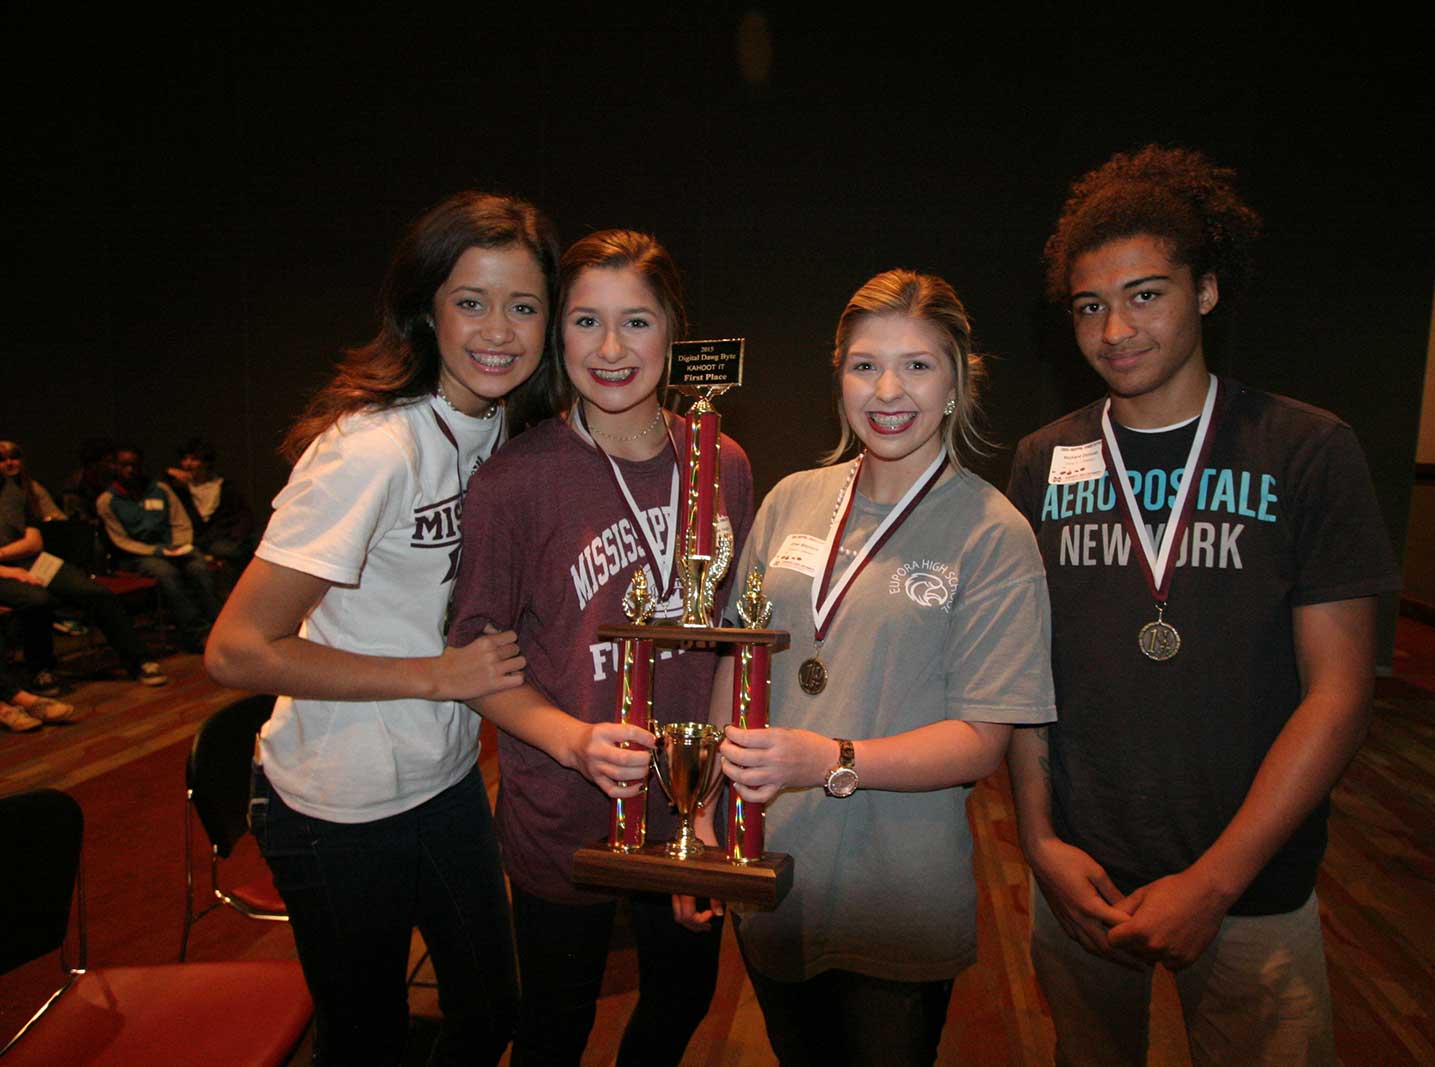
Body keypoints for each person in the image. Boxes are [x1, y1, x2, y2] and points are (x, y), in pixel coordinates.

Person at [1006, 146, 1401, 1066]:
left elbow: (1340, 694)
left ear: (1208, 291)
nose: (1115, 329)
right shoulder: (1039, 460)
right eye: (1090, 305)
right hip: (1081, 877)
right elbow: (1020, 674)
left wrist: (1215, 883)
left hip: (1253, 885)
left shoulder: (1307, 449)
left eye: (1146, 294)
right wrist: (1038, 842)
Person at [204, 190, 559, 1066]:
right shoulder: (371, 449)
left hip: (442, 782)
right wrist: (434, 675)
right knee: (366, 1040)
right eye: (470, 302)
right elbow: (236, 648)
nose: (498, 330)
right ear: (424, 309)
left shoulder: (498, 428)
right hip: (337, 804)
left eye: (524, 305)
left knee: (488, 1009)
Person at [703, 269, 1054, 1065]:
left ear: (957, 383)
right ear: (839, 377)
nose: (888, 389)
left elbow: (981, 738)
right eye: (865, 365)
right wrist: (707, 805)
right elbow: (741, 655)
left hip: (897, 892)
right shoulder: (791, 498)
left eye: (918, 365)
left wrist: (830, 760)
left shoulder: (993, 533)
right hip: (773, 869)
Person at [448, 229, 754, 1066]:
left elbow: (733, 645)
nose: (611, 349)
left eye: (638, 322)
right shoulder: (515, 480)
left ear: (674, 330)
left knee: (681, 1000)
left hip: (682, 809)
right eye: (586, 321)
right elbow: (475, 660)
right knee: (554, 1024)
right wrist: (571, 740)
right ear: (558, 335)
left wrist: (706, 802)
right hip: (563, 810)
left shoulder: (722, 463)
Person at [1, 439, 167, 692]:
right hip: (5, 571)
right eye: (2, 458)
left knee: (95, 592)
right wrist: (11, 568)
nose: (8, 463)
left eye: (13, 457)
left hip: (33, 560)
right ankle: (41, 671)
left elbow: (34, 543)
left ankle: (140, 661)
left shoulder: (16, 492)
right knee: (37, 600)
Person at [96, 444, 222, 651]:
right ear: (115, 467)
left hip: (174, 547)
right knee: (166, 573)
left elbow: (180, 521)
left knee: (198, 566)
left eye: (134, 465)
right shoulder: (107, 501)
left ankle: (221, 625)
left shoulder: (160, 489)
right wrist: (157, 552)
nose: (131, 470)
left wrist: (179, 545)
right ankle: (197, 634)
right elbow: (120, 540)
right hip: (138, 555)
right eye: (125, 465)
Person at [166, 437, 256, 576]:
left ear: (205, 462)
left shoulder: (223, 487)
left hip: (223, 539)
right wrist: (168, 473)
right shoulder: (180, 489)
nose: (188, 464)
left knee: (236, 550)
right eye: (185, 459)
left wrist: (236, 536)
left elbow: (244, 516)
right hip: (194, 542)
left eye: (194, 459)